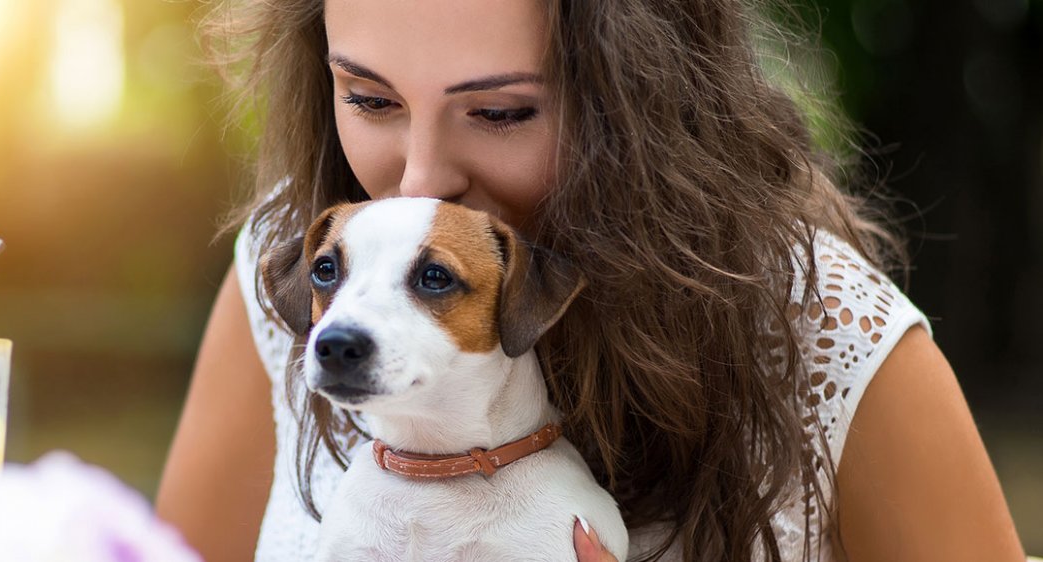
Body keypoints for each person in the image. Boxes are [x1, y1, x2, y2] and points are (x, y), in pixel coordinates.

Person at [156, 0, 1027, 560]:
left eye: (500, 112)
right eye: (370, 98)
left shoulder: (834, 344)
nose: (418, 179)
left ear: (646, 107)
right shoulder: (302, 275)